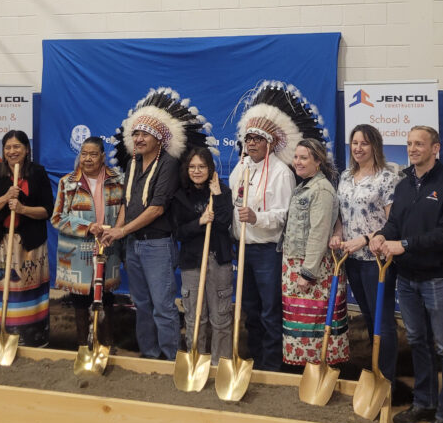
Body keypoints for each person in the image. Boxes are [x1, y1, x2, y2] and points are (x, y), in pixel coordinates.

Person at [371, 125, 443, 423]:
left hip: (440, 279)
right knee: (417, 342)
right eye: (409, 143)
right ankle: (424, 404)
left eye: (420, 144)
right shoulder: (403, 185)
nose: (413, 148)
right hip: (407, 278)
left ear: (435, 148)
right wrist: (382, 236)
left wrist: (405, 244)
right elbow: (394, 223)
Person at [102, 87, 218, 360]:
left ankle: (168, 358)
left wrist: (122, 231)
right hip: (134, 245)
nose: (138, 139)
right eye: (136, 134)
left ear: (159, 138)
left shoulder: (169, 164)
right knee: (141, 304)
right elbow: (126, 205)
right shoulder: (133, 164)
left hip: (157, 246)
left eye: (144, 134)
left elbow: (155, 209)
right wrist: (117, 233)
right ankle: (149, 356)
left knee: (163, 306)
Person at [229, 80, 327, 372]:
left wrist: (258, 218)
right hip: (242, 249)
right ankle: (254, 362)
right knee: (250, 310)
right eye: (249, 139)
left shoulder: (282, 173)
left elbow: (284, 215)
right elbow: (233, 203)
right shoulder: (241, 167)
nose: (252, 144)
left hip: (267, 252)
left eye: (258, 139)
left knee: (271, 311)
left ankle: (273, 366)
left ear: (269, 143)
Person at [330, 124, 402, 387]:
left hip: (377, 260)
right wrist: (338, 234)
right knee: (369, 318)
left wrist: (364, 240)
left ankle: (387, 380)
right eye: (354, 143)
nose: (358, 148)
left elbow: (393, 222)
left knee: (383, 321)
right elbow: (341, 215)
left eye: (364, 143)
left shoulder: (387, 179)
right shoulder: (346, 176)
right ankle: (374, 370)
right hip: (352, 259)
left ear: (375, 147)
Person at [0, 130, 54, 346]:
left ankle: (30, 339)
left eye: (17, 146)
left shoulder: (38, 173)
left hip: (29, 247)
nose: (12, 151)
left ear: (26, 149)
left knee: (26, 295)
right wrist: (5, 198)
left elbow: (48, 210)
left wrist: (22, 208)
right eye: (8, 147)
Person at [51, 136, 124, 348]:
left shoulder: (118, 180)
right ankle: (83, 345)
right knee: (80, 299)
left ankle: (107, 343)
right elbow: (57, 218)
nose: (88, 159)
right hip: (76, 253)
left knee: (107, 296)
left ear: (102, 157)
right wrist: (87, 227)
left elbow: (124, 212)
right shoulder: (68, 182)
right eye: (84, 154)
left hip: (107, 247)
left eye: (93, 154)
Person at [281, 138, 347, 367]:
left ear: (318, 161)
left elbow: (319, 234)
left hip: (312, 267)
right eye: (296, 157)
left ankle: (319, 370)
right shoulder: (304, 186)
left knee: (315, 324)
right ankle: (305, 374)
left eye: (304, 158)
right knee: (300, 324)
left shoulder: (321, 190)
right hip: (295, 263)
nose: (297, 162)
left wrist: (307, 273)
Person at [171, 146, 234, 364]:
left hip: (219, 260)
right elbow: (178, 232)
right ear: (187, 169)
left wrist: (216, 195)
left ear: (210, 169)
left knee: (221, 318)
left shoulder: (221, 192)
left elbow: (226, 222)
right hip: (192, 262)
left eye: (202, 167)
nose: (197, 171)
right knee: (195, 317)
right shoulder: (180, 195)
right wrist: (200, 222)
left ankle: (220, 364)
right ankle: (196, 361)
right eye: (193, 167)